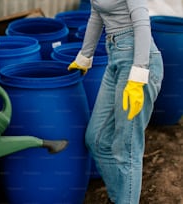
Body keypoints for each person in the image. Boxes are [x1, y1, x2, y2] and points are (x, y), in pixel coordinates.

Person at [68, 0, 163, 203]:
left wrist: (138, 75)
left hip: (138, 61)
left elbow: (142, 24)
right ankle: (122, 198)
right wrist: (85, 55)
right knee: (96, 139)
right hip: (115, 58)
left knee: (126, 149)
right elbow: (96, 15)